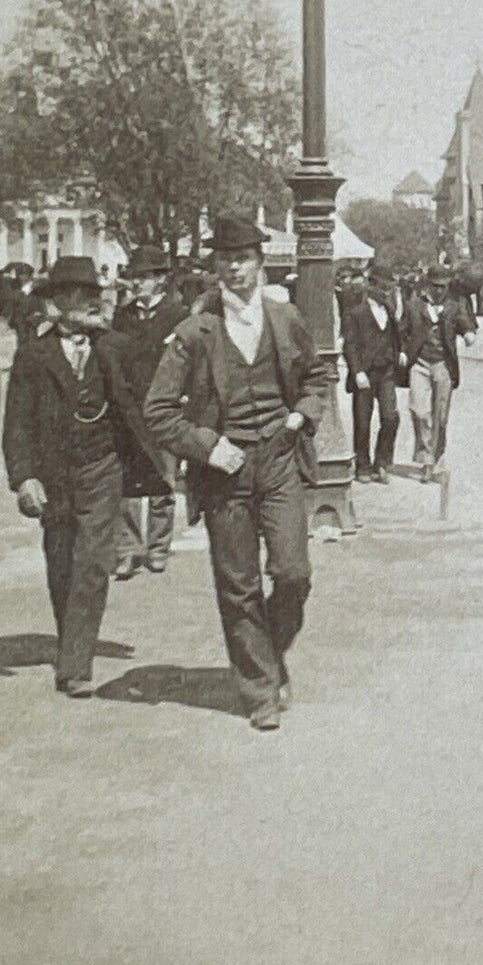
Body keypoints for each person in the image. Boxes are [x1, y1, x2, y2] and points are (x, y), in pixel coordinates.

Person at [144, 216, 328, 731]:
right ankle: (260, 692)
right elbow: (158, 411)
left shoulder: (285, 317)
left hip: (279, 460)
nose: (235, 267)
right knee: (238, 584)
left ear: (260, 262)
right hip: (225, 472)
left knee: (294, 572)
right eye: (226, 259)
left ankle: (265, 652)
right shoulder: (193, 332)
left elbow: (317, 376)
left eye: (244, 257)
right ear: (215, 266)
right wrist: (207, 446)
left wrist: (301, 414)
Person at [2, 257, 152, 697]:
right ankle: (72, 641)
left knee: (92, 561)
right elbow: (19, 422)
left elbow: (146, 395)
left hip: (102, 467)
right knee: (62, 560)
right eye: (83, 296)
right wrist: (24, 477)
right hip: (54, 474)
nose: (94, 302)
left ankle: (75, 665)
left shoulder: (115, 347)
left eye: (96, 295)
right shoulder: (34, 354)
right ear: (59, 302)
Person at [109, 245, 186, 579]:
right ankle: (126, 549)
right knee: (124, 484)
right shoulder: (122, 316)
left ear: (160, 280)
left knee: (163, 479)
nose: (136, 283)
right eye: (133, 277)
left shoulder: (178, 315)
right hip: (127, 410)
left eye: (143, 277)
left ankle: (158, 548)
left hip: (165, 409)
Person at [401, 264, 477, 479]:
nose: (439, 290)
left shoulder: (455, 305)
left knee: (440, 414)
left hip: (443, 364)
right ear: (427, 285)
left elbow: (465, 325)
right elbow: (402, 330)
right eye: (435, 286)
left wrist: (469, 333)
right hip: (420, 363)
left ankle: (436, 457)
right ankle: (425, 457)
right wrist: (403, 352)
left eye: (443, 286)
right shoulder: (415, 305)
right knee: (418, 410)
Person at [342, 264, 402, 484]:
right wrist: (357, 371)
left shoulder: (389, 310)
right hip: (365, 375)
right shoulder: (355, 313)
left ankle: (382, 462)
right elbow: (350, 345)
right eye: (383, 288)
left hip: (386, 371)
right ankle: (363, 465)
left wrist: (400, 353)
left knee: (390, 417)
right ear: (371, 285)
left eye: (389, 288)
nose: (387, 292)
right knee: (362, 422)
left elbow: (395, 335)